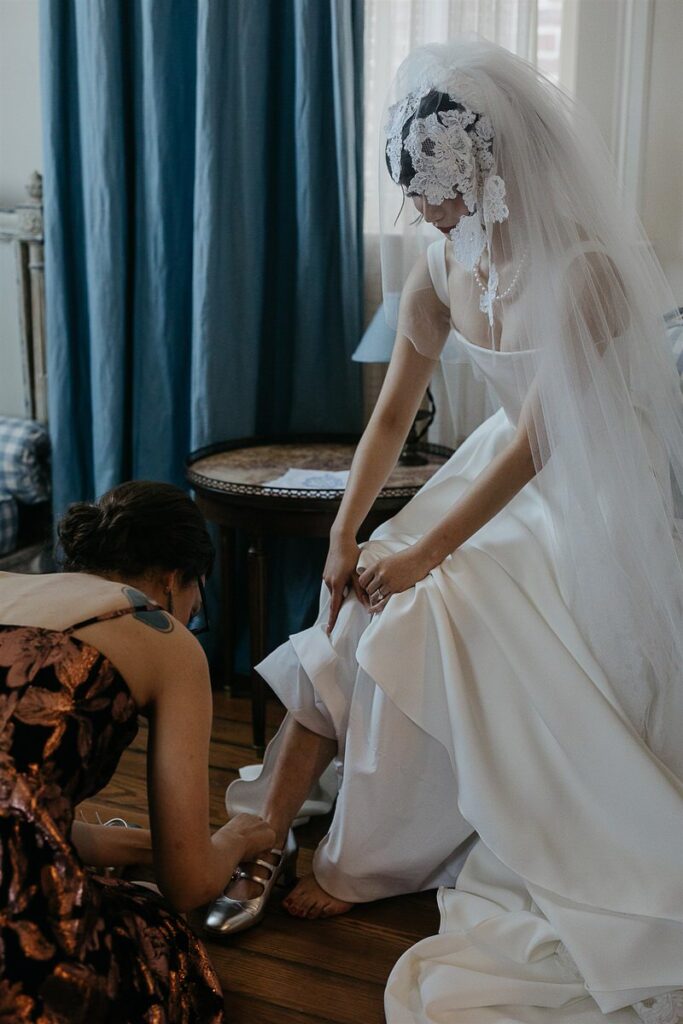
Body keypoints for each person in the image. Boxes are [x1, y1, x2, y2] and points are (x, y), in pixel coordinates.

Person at [205, 36, 683, 1024]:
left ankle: (363, 861)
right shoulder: (437, 265)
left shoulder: (582, 272)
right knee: (352, 601)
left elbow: (541, 443)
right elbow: (387, 418)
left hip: (575, 488)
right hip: (489, 473)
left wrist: (427, 547)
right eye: (412, 190)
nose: (418, 210)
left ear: (485, 177)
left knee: (428, 600)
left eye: (430, 191)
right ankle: (268, 830)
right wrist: (346, 534)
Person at [0, 480, 276, 1023]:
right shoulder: (159, 631)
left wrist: (151, 847)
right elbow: (189, 885)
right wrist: (237, 835)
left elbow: (23, 806)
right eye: (196, 601)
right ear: (177, 579)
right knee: (157, 939)